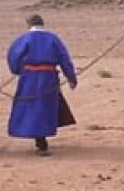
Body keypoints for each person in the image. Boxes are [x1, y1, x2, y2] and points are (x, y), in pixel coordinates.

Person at [6, 13, 78, 155]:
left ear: (28, 24)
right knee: (44, 108)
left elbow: (13, 57)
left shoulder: (24, 39)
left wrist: (18, 70)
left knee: (31, 107)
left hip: (29, 78)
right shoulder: (53, 39)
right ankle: (41, 140)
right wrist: (71, 77)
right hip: (48, 77)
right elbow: (64, 58)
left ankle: (40, 140)